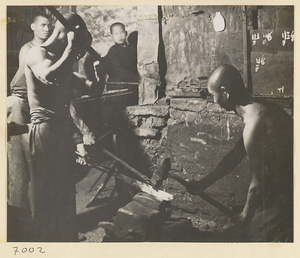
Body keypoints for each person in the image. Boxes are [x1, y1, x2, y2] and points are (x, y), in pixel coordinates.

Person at [186, 64, 293, 242]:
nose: (214, 101)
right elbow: (234, 157)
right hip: (284, 186)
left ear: (225, 92)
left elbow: (257, 184)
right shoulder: (260, 108)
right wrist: (203, 183)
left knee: (253, 236)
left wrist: (244, 216)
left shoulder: (253, 124)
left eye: (214, 95)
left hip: (290, 194)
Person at [24, 12, 92, 242]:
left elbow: (63, 109)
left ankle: (66, 240)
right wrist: (70, 50)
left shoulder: (63, 56)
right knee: (46, 192)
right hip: (43, 131)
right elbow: (47, 76)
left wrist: (78, 139)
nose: (77, 55)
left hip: (61, 130)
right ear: (66, 33)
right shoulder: (37, 52)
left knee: (65, 191)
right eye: (78, 47)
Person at [7, 13, 52, 241]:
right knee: (19, 171)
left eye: (49, 25)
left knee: (36, 171)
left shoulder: (46, 50)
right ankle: (18, 230)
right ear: (33, 26)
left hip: (33, 108)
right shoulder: (29, 49)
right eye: (43, 25)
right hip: (18, 107)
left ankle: (36, 228)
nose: (47, 28)